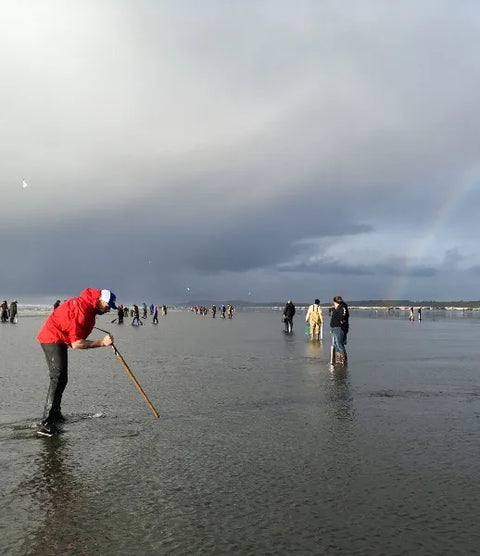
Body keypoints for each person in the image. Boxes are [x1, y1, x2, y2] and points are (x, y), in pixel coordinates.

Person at [36, 288, 117, 437]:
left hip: (59, 337)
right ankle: (46, 424)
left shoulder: (88, 307)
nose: (108, 310)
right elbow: (77, 343)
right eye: (107, 306)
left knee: (62, 378)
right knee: (58, 377)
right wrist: (102, 343)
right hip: (51, 337)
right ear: (100, 300)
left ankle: (56, 415)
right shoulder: (82, 310)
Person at [330, 296, 349, 365]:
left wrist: (342, 320)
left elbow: (343, 316)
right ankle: (339, 359)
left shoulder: (342, 307)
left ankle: (343, 360)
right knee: (336, 344)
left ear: (336, 302)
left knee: (339, 344)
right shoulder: (338, 308)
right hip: (335, 327)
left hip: (339, 328)